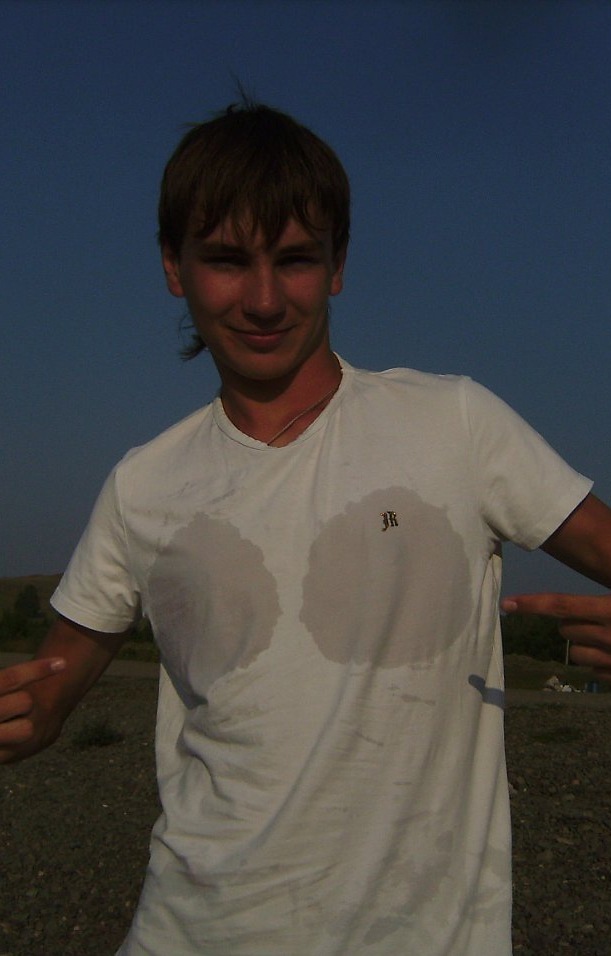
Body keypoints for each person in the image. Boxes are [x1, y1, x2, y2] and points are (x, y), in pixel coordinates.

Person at [1, 99, 611, 956]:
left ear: (337, 265)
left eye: (293, 259)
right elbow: (42, 698)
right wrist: (22, 717)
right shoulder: (142, 485)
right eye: (225, 260)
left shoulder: (455, 424)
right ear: (174, 266)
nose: (262, 299)